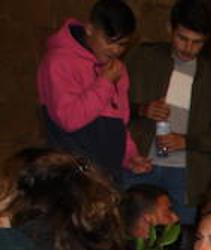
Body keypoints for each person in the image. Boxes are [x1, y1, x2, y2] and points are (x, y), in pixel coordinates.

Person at [126, 0, 211, 226]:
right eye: (182, 38)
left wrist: (187, 141)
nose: (188, 48)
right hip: (138, 164)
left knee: (179, 245)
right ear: (170, 29)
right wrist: (141, 109)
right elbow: (110, 106)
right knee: (129, 235)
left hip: (185, 175)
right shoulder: (141, 59)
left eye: (197, 43)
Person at [36, 0, 152, 182]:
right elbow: (68, 118)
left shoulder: (117, 68)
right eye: (110, 41)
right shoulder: (59, 61)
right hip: (71, 176)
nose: (115, 50)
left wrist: (129, 156)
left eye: (123, 45)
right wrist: (105, 82)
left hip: (108, 176)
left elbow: (120, 121)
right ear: (90, 29)